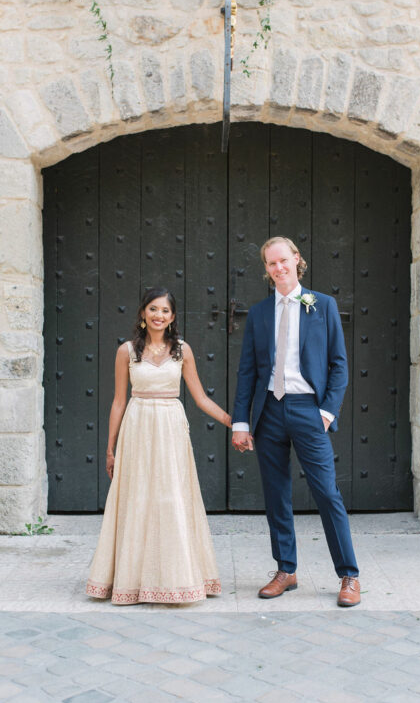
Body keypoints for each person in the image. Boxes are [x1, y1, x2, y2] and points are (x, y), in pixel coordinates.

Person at [231, 237, 361, 607]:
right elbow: (246, 373)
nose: (278, 268)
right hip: (269, 410)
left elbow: (339, 364)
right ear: (267, 269)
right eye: (271, 264)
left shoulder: (322, 305)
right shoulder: (258, 313)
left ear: (296, 260)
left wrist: (326, 411)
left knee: (326, 492)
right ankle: (286, 570)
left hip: (308, 410)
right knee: (276, 495)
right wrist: (242, 421)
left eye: (283, 261)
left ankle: (349, 575)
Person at [86, 287, 231, 605]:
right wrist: (110, 449)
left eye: (165, 311)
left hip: (170, 428)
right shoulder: (126, 351)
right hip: (137, 427)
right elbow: (118, 401)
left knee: (171, 498)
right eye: (153, 309)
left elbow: (200, 398)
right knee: (138, 499)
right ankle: (131, 580)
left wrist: (234, 422)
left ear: (173, 317)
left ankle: (176, 577)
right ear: (142, 313)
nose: (158, 315)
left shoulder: (182, 350)